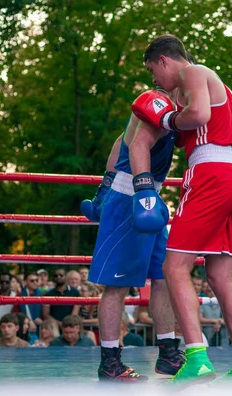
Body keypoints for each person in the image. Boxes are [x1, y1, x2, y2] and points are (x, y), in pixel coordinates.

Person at [140, 34, 232, 385]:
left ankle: (196, 355)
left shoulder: (193, 74)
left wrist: (169, 122)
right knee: (221, 276)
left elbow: (199, 115)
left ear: (164, 60)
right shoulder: (219, 85)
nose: (154, 82)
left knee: (174, 266)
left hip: (210, 173)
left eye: (153, 71)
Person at [86, 85, 185, 382]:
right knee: (116, 286)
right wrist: (110, 188)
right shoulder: (157, 102)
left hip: (149, 198)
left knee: (162, 276)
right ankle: (110, 361)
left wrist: (105, 182)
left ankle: (168, 354)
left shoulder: (173, 109)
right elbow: (129, 142)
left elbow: (120, 140)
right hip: (132, 197)